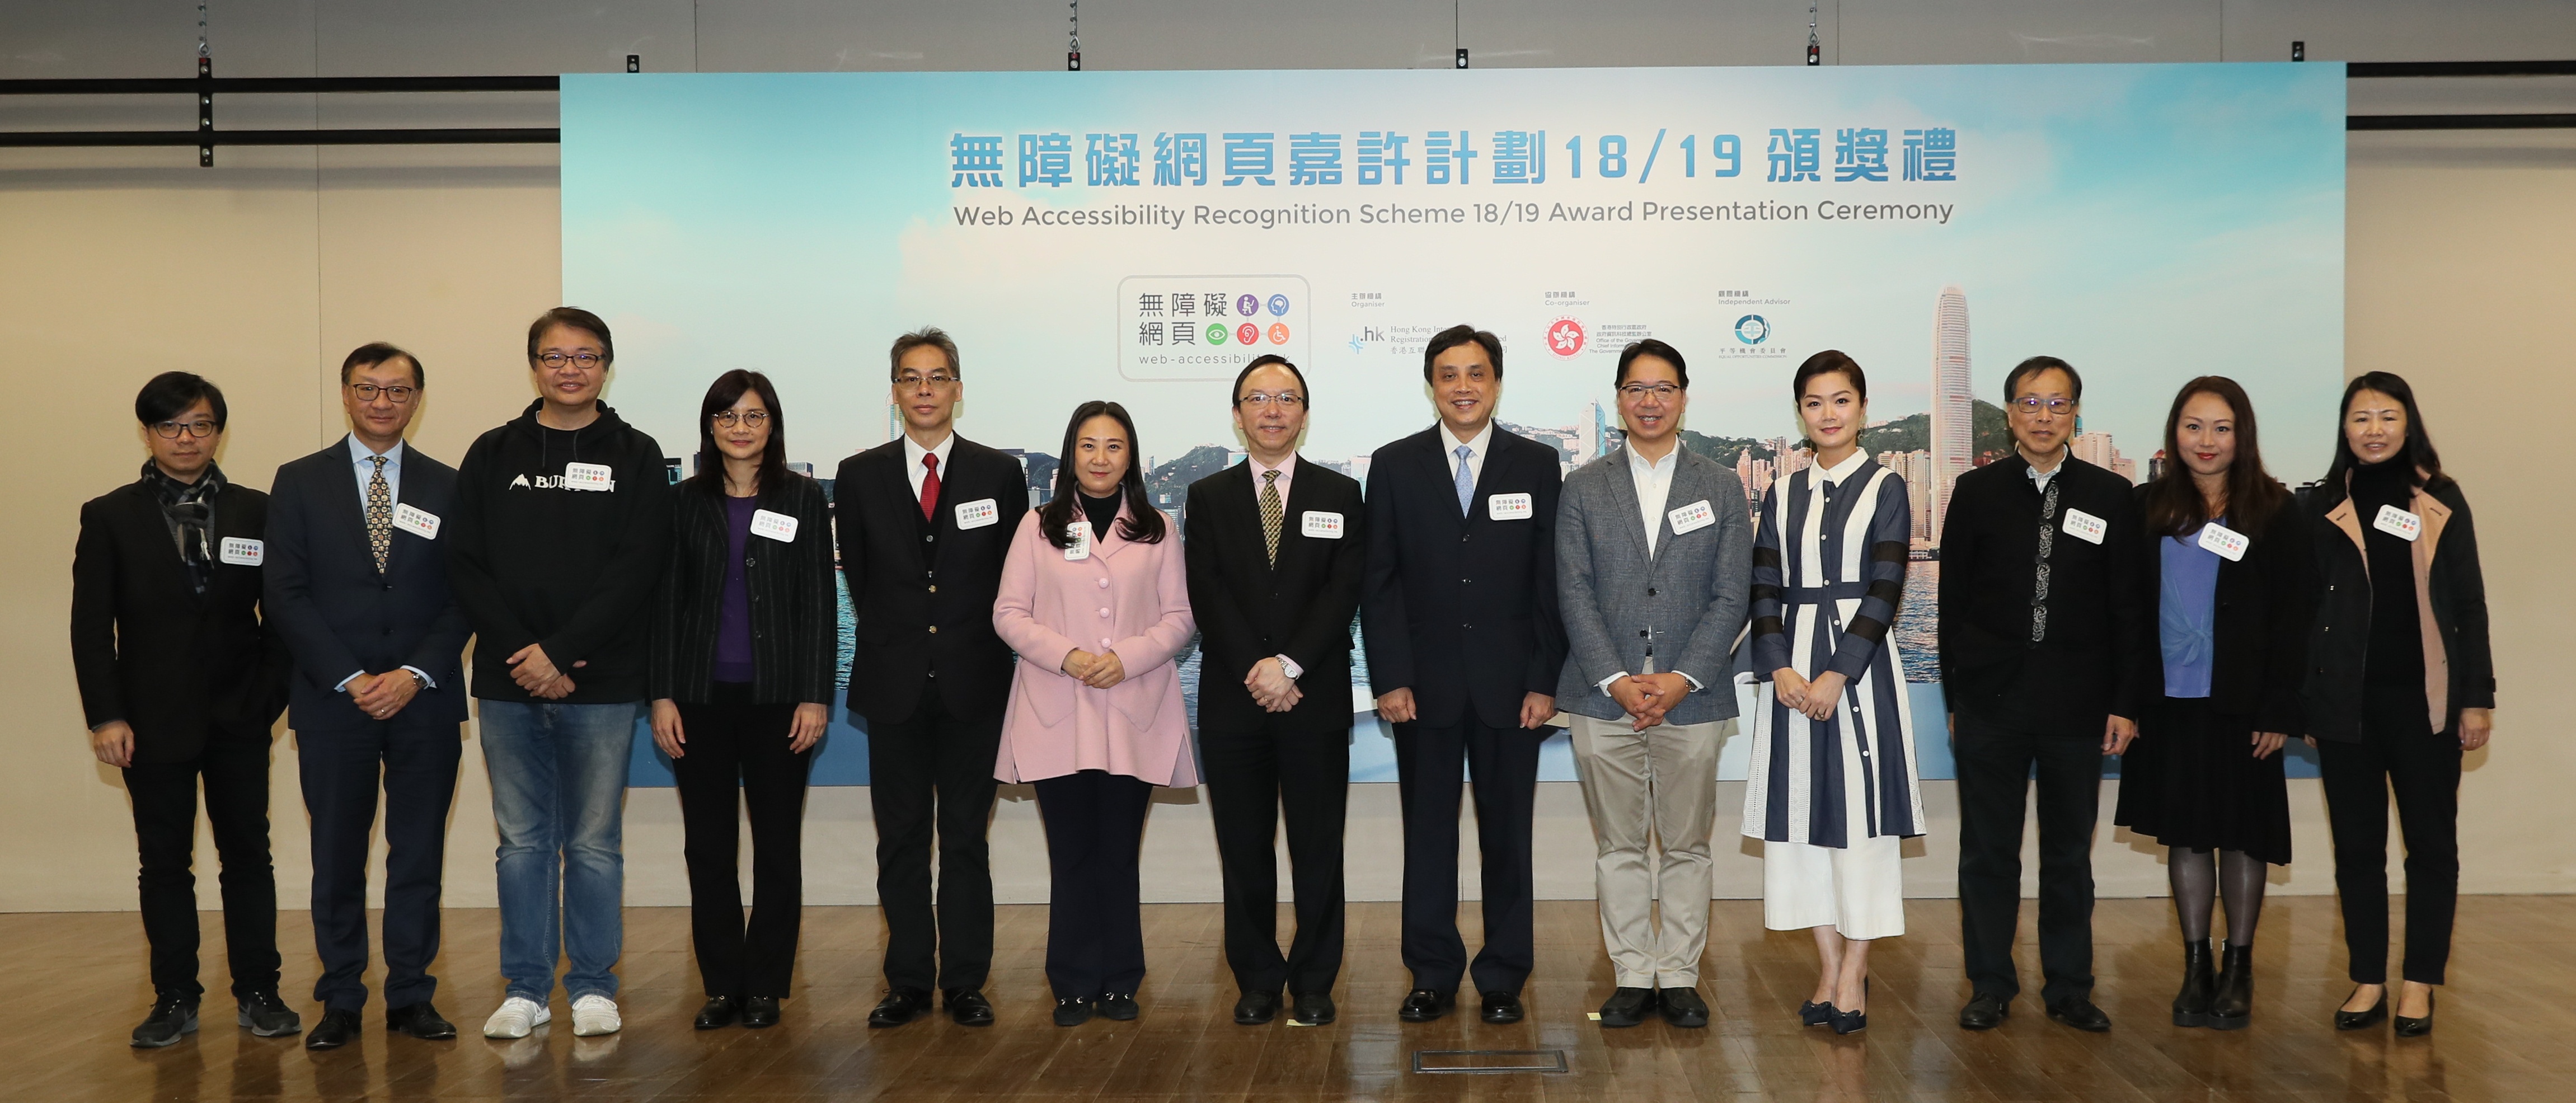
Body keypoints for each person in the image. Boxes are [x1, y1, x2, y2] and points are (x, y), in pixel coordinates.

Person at [447, 307, 674, 1040]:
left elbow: (638, 566)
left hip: (600, 681)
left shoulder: (637, 454)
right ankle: (524, 986)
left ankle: (592, 984)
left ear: (606, 366)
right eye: (554, 356)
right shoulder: (492, 451)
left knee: (595, 841)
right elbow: (466, 561)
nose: (569, 368)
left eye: (585, 356)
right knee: (521, 841)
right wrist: (525, 651)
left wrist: (566, 649)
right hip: (510, 680)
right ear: (533, 365)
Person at [73, 372, 298, 1048]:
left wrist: (268, 698)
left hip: (239, 716)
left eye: (200, 424)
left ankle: (260, 991)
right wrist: (106, 716)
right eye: (171, 426)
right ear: (147, 432)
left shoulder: (259, 510)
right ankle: (174, 996)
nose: (186, 438)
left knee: (248, 859)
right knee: (164, 864)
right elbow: (91, 626)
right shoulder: (110, 514)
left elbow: (282, 614)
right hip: (148, 723)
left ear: (218, 431)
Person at [264, 344, 472, 1049]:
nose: (382, 403)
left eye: (398, 391)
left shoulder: (449, 486)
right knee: (338, 855)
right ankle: (342, 996)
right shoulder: (298, 482)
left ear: (418, 399)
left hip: (426, 701)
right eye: (368, 389)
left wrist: (414, 673)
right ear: (346, 394)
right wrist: (351, 677)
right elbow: (283, 594)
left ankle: (412, 993)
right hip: (333, 703)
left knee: (417, 856)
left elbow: (465, 595)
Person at [1360, 323, 1567, 1026]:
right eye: (1448, 375)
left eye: (1475, 374)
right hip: (1422, 688)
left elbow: (1550, 584)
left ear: (1496, 381)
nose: (1462, 387)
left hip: (1514, 691)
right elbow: (1379, 585)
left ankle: (1504, 974)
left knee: (1508, 835)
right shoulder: (1392, 465)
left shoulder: (1537, 465)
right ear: (1431, 385)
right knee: (1429, 838)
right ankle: (1433, 972)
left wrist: (1546, 681)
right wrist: (1388, 677)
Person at [1939, 355, 2152, 1034]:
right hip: (1990, 705)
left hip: (2076, 707)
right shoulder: (1975, 492)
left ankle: (2069, 986)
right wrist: (1956, 696)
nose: (2043, 417)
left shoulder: (2111, 495)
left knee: (2068, 854)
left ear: (2075, 414)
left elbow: (2128, 608)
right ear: (2008, 414)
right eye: (2029, 404)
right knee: (1987, 852)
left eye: (2057, 405)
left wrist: (2123, 702)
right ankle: (1990, 984)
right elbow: (1951, 607)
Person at [1555, 340, 1752, 1030]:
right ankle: (1633, 971)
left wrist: (1679, 678)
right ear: (1618, 399)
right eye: (1635, 389)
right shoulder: (1582, 485)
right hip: (1599, 695)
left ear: (1684, 397)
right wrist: (1616, 679)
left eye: (1663, 388)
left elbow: (1733, 595)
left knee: (1688, 843)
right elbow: (1572, 590)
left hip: (1693, 697)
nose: (1649, 401)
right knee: (1619, 845)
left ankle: (1680, 973)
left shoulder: (1721, 484)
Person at [837, 328, 1029, 1029]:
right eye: (911, 379)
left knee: (967, 840)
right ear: (894, 391)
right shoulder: (859, 475)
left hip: (974, 684)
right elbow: (859, 577)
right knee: (901, 839)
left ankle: (965, 982)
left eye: (938, 377)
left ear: (957, 389)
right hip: (892, 686)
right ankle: (909, 980)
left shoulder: (997, 474)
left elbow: (1012, 578)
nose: (924, 390)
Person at [2111, 377, 2312, 1031]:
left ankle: (2239, 966)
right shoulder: (2146, 507)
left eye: (2221, 428)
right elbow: (2127, 610)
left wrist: (2280, 708)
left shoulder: (2274, 511)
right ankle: (2195, 966)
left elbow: (2294, 615)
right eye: (2193, 426)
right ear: (2174, 433)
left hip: (2243, 703)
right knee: (2188, 833)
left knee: (2242, 836)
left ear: (2242, 435)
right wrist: (2126, 699)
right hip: (2169, 700)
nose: (2206, 441)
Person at [993, 401, 1197, 1027]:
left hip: (1133, 708)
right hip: (1058, 707)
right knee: (1072, 853)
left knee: (1117, 852)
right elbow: (1008, 614)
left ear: (1130, 455)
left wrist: (1126, 658)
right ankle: (1073, 982)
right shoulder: (1037, 525)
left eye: (1113, 446)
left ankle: (1120, 981)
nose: (1101, 458)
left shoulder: (1158, 527)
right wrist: (1069, 656)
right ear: (1070, 454)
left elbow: (1181, 619)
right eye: (1088, 446)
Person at [2304, 372, 2493, 1038]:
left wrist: (2477, 700)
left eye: (2387, 416)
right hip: (2346, 708)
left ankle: (2419, 982)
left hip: (2428, 706)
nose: (2374, 429)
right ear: (2344, 428)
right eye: (2361, 417)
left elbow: (2467, 605)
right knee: (2357, 850)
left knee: (2431, 848)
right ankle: (2367, 980)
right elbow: (2303, 612)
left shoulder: (2441, 499)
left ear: (2408, 424)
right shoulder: (2322, 503)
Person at [1744, 351, 1926, 1036]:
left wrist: (1836, 672)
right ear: (1800, 413)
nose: (1828, 414)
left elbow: (1886, 589)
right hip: (1789, 675)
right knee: (1798, 825)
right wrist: (1781, 669)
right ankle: (1825, 967)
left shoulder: (1887, 485)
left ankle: (1855, 970)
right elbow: (1763, 587)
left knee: (1861, 824)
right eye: (1815, 403)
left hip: (1863, 677)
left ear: (1863, 409)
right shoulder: (1779, 492)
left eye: (1841, 400)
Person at [647, 371, 836, 1031]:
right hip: (698, 699)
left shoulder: (804, 498)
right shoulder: (684, 502)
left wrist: (815, 695)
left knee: (778, 846)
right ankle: (721, 985)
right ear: (709, 426)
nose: (740, 428)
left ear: (772, 426)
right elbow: (666, 604)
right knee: (708, 846)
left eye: (754, 417)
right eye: (727, 416)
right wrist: (662, 694)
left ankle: (766, 986)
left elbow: (819, 603)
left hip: (778, 699)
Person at [1184, 355, 1367, 1028]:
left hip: (1312, 698)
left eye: (1286, 398)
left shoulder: (1340, 494)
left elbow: (1342, 591)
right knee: (1245, 848)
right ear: (1237, 415)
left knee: (1319, 848)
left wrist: (1288, 665)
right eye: (1258, 398)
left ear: (1304, 413)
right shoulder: (1207, 497)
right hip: (1236, 703)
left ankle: (1315, 980)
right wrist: (1258, 669)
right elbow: (1208, 593)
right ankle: (1258, 978)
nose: (1272, 410)